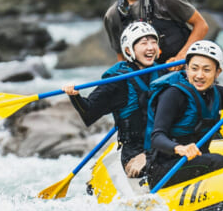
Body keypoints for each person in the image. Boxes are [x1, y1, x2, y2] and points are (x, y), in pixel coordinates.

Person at [144, 40, 223, 189]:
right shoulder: (173, 94)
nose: (199, 75)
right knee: (216, 161)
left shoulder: (219, 94)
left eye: (206, 70)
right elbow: (157, 137)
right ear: (186, 68)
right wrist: (180, 148)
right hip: (165, 168)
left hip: (199, 161)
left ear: (218, 72)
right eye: (194, 68)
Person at [65, 21, 160, 178]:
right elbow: (88, 112)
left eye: (153, 42)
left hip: (161, 147)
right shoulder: (118, 81)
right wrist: (74, 95)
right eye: (144, 43)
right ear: (129, 50)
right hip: (135, 153)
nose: (150, 47)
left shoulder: (163, 73)